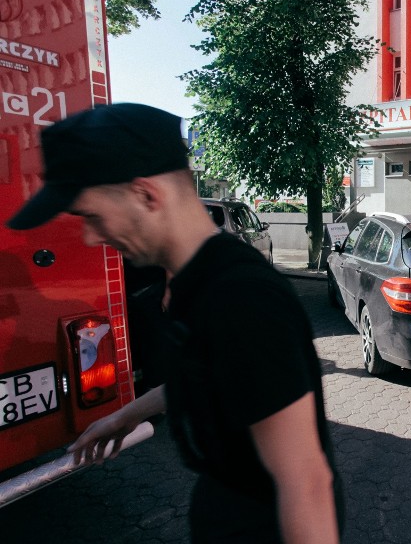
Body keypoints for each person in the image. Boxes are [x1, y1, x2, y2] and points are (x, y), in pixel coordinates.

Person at [6, 103, 342, 544]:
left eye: (92, 215)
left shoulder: (240, 297)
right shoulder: (189, 283)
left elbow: (306, 483)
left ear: (146, 195)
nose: (90, 235)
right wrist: (123, 416)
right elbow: (214, 374)